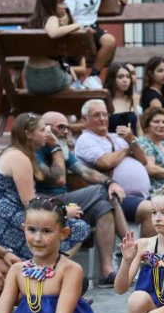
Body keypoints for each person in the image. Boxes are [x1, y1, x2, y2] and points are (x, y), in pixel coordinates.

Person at [38, 111, 127, 285]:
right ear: (45, 128)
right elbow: (59, 179)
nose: (66, 131)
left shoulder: (61, 150)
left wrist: (110, 182)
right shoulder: (38, 149)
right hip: (46, 203)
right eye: (60, 127)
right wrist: (55, 145)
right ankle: (133, 245)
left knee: (104, 207)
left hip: (64, 200)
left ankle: (107, 272)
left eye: (67, 127)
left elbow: (85, 172)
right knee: (102, 190)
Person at [0, 113, 89, 259]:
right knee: (79, 228)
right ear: (28, 134)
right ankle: (51, 269)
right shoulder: (19, 157)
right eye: (42, 130)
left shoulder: (17, 153)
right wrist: (64, 211)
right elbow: (29, 203)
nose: (47, 133)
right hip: (8, 222)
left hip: (9, 217)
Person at [75, 99, 154, 235]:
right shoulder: (86, 139)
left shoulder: (116, 137)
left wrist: (131, 141)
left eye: (105, 115)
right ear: (84, 119)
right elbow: (105, 162)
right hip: (114, 197)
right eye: (96, 115)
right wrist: (126, 150)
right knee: (152, 210)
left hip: (141, 195)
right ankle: (142, 255)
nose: (102, 119)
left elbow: (143, 160)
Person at [65, 0, 127, 89]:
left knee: (110, 41)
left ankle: (93, 76)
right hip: (76, 28)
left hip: (92, 27)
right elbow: (69, 14)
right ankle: (73, 81)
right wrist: (79, 29)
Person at [24, 0, 83, 95]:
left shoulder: (34, 22)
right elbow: (53, 33)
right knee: (74, 80)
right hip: (50, 76)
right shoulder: (52, 18)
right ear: (50, 5)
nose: (65, 5)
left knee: (68, 71)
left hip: (30, 77)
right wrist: (77, 25)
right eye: (60, 2)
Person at [105, 62, 139, 136]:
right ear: (112, 79)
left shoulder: (131, 99)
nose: (125, 80)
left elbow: (138, 128)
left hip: (133, 143)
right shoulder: (105, 101)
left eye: (128, 77)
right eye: (120, 77)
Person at [140, 56, 164, 131]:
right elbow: (159, 118)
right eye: (160, 71)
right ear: (151, 73)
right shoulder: (152, 96)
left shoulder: (161, 93)